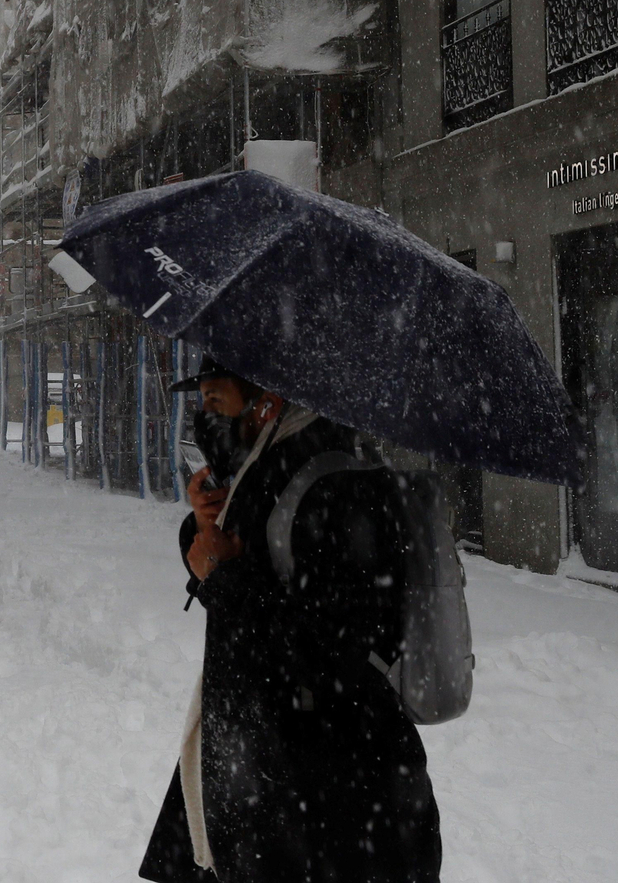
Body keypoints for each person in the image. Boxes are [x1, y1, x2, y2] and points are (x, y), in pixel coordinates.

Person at [139, 357, 442, 883]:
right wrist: (204, 527)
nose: (205, 418)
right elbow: (244, 570)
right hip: (278, 780)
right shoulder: (272, 470)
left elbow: (330, 650)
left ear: (267, 404)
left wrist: (222, 575)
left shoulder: (335, 486)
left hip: (329, 800)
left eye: (215, 401)